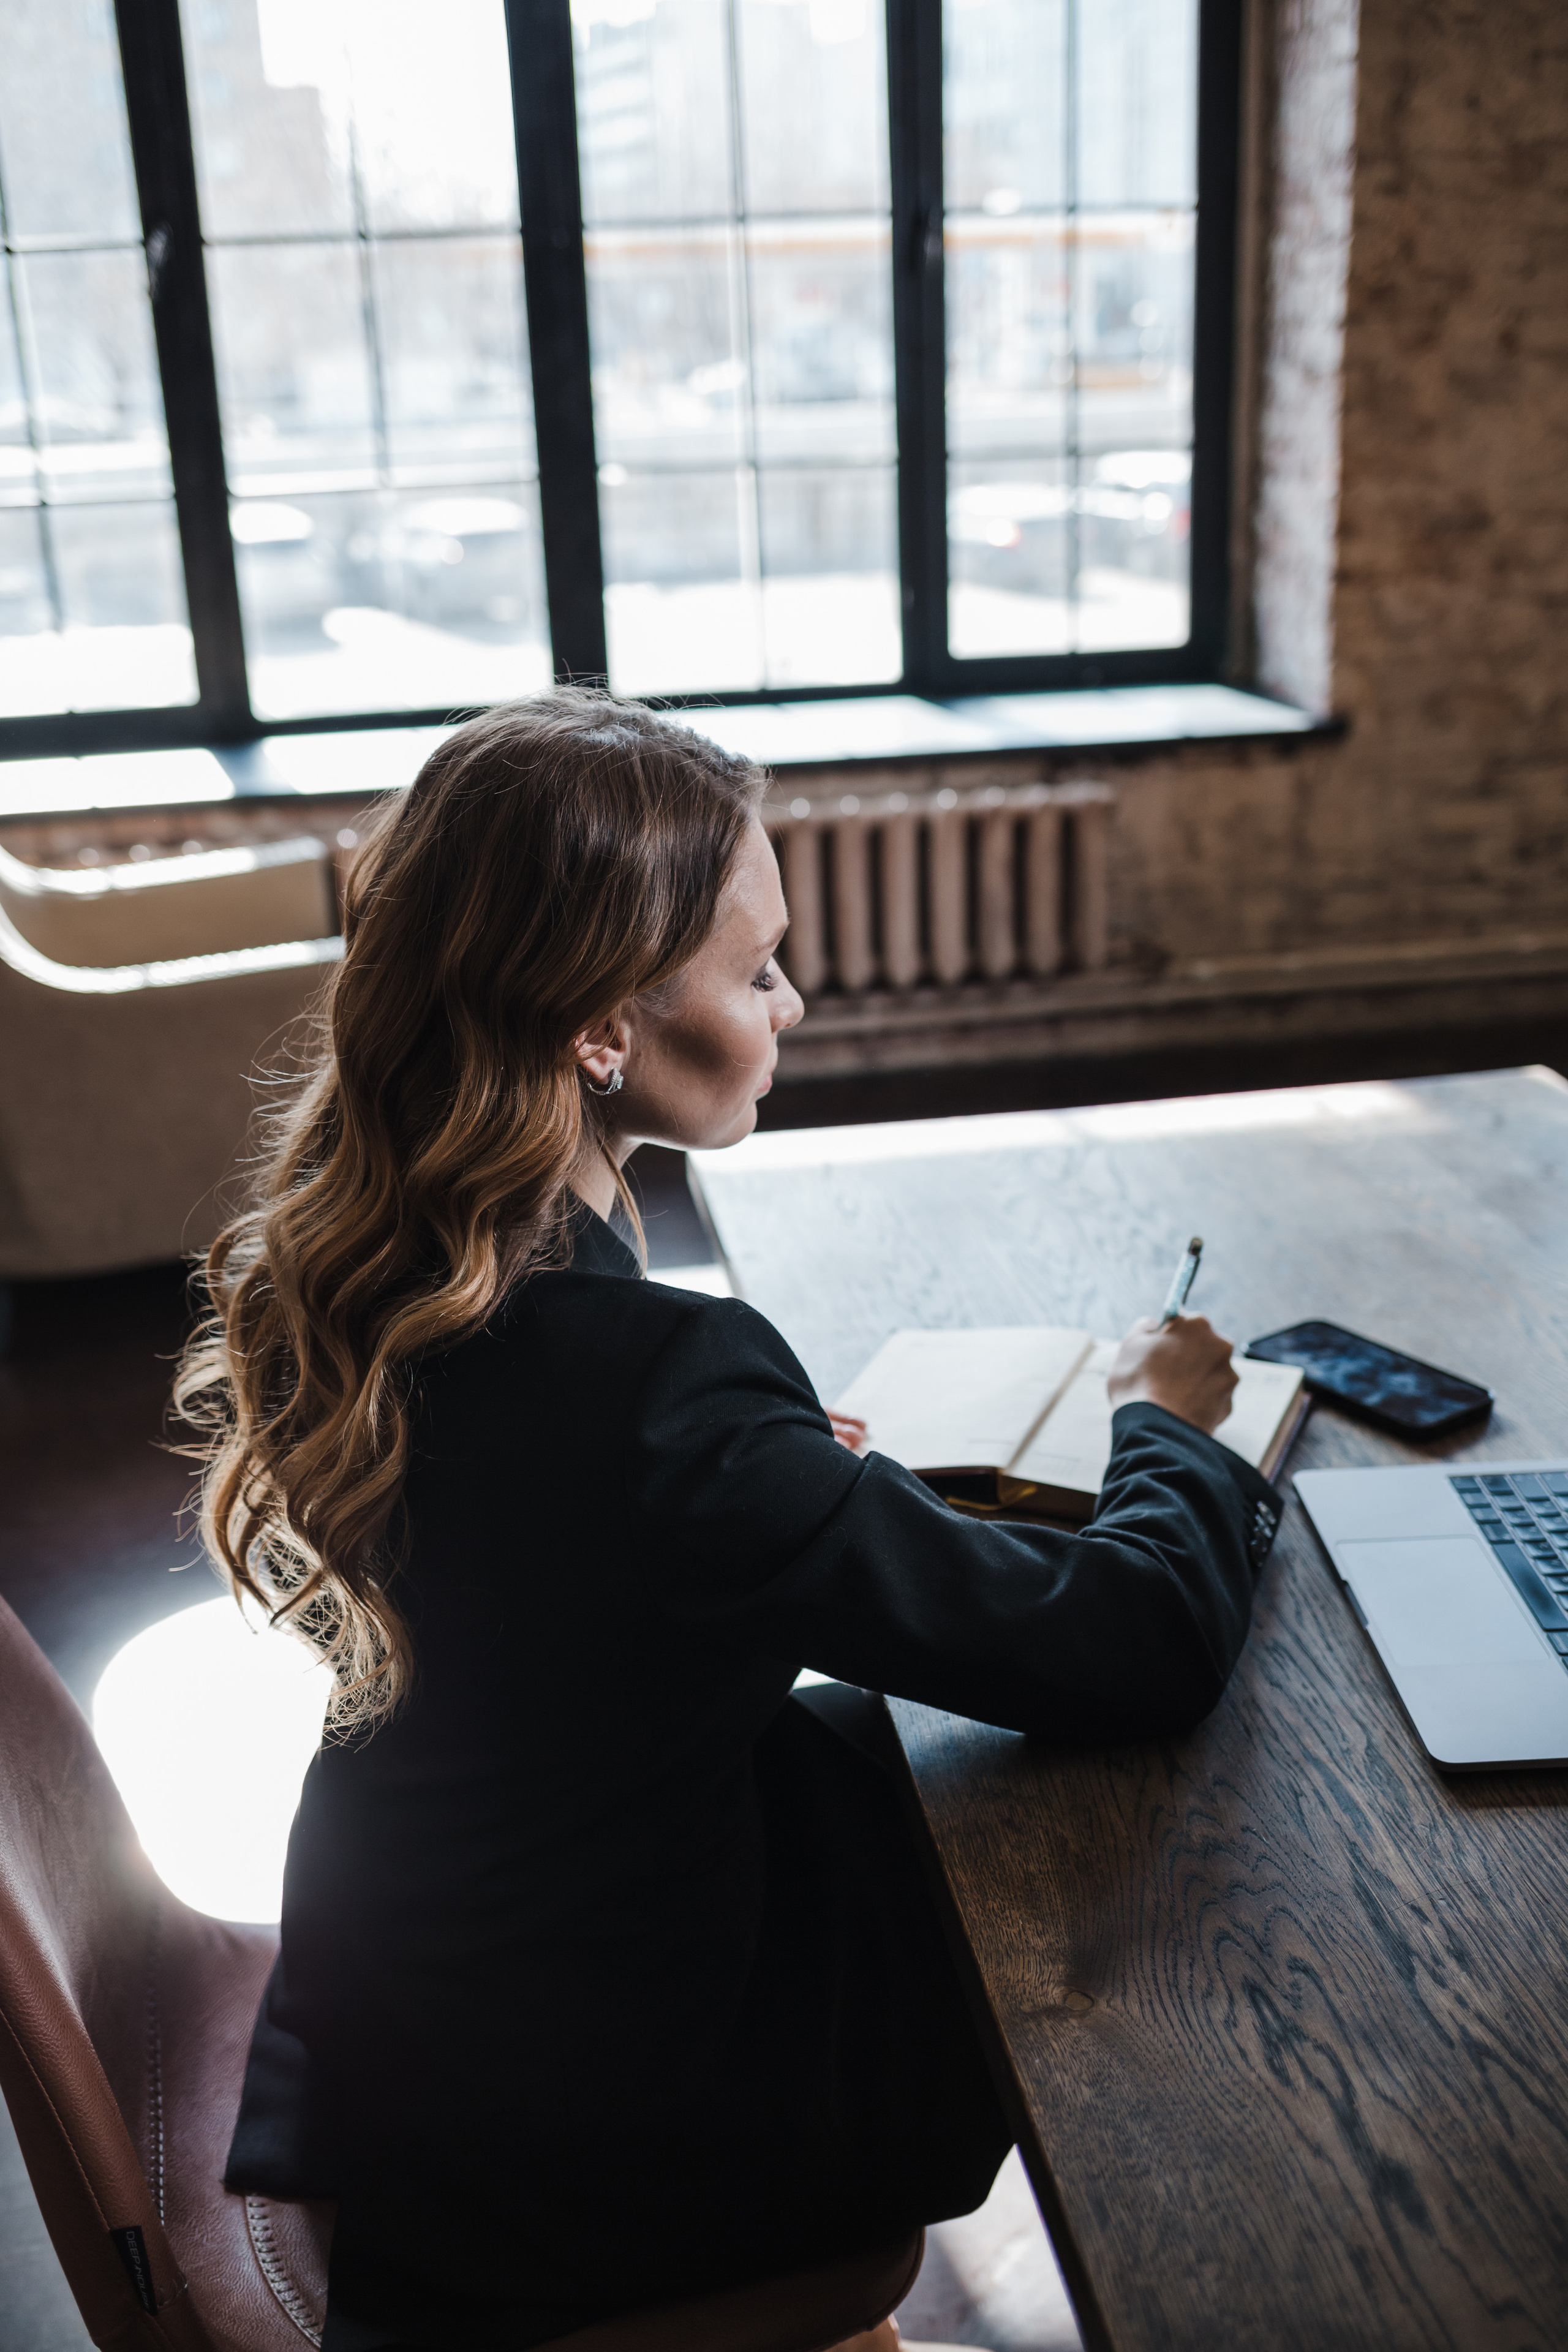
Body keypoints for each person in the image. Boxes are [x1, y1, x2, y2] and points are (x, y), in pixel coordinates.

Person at [181, 690, 1280, 2352]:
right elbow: (1142, 1639)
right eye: (757, 969)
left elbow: (566, 1549)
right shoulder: (652, 1386)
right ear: (601, 1024)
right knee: (1102, 1856)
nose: (795, 1002)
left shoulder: (377, 1272)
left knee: (895, 1756)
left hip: (436, 2020)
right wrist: (1172, 1427)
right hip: (581, 2155)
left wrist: (769, 1480)